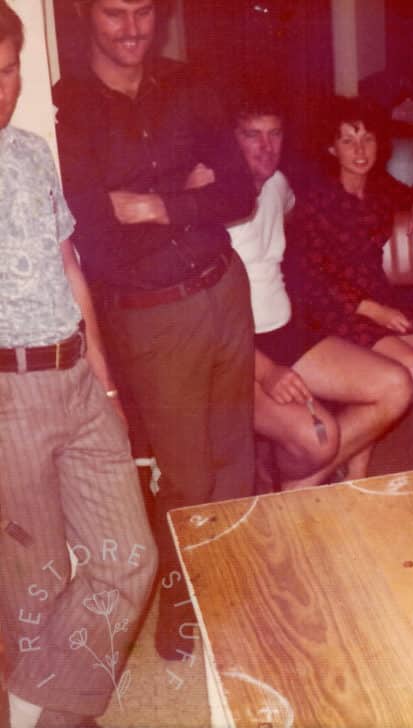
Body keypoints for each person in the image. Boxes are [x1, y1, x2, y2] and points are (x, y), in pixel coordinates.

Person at [51, 0, 257, 660]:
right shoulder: (66, 108)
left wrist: (153, 202)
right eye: (115, 14)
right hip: (150, 315)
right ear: (85, 14)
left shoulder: (189, 85)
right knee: (188, 476)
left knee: (236, 460)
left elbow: (239, 192)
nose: (133, 29)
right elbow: (91, 223)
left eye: (144, 12)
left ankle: (230, 586)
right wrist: (187, 191)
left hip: (225, 287)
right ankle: (180, 597)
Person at [0, 5, 156, 726]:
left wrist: (107, 378)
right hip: (9, 396)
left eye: (8, 73)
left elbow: (70, 264)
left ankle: (39, 704)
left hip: (76, 376)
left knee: (129, 560)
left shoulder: (31, 151)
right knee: (35, 589)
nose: (2, 91)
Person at [223, 94, 413, 486]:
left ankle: (295, 485)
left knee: (397, 385)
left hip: (285, 330)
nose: (266, 147)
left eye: (274, 134)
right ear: (232, 140)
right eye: (252, 136)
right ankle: (290, 475)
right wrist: (266, 371)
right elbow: (209, 319)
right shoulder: (212, 200)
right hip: (237, 350)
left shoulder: (279, 185)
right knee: (318, 439)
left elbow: (307, 214)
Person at [284, 96, 413, 414]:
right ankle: (353, 452)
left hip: (379, 298)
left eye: (367, 139)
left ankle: (357, 433)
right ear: (332, 148)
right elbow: (313, 275)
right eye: (348, 141)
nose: (360, 150)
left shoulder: (378, 187)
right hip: (333, 308)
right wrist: (372, 310)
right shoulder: (317, 199)